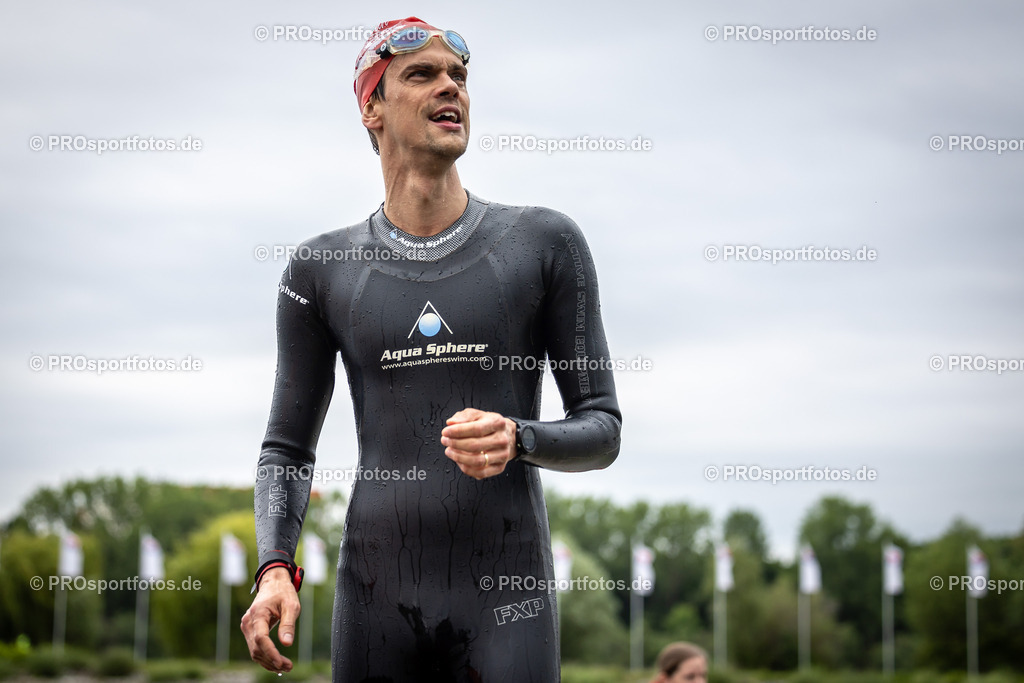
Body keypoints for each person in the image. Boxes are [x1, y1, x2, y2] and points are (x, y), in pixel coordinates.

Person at [240, 17, 622, 682]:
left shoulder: (543, 243)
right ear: (372, 107)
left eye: (459, 76)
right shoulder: (320, 270)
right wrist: (275, 566)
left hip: (508, 606)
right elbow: (286, 449)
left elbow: (603, 427)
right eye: (422, 74)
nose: (451, 87)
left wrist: (521, 437)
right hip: (374, 602)